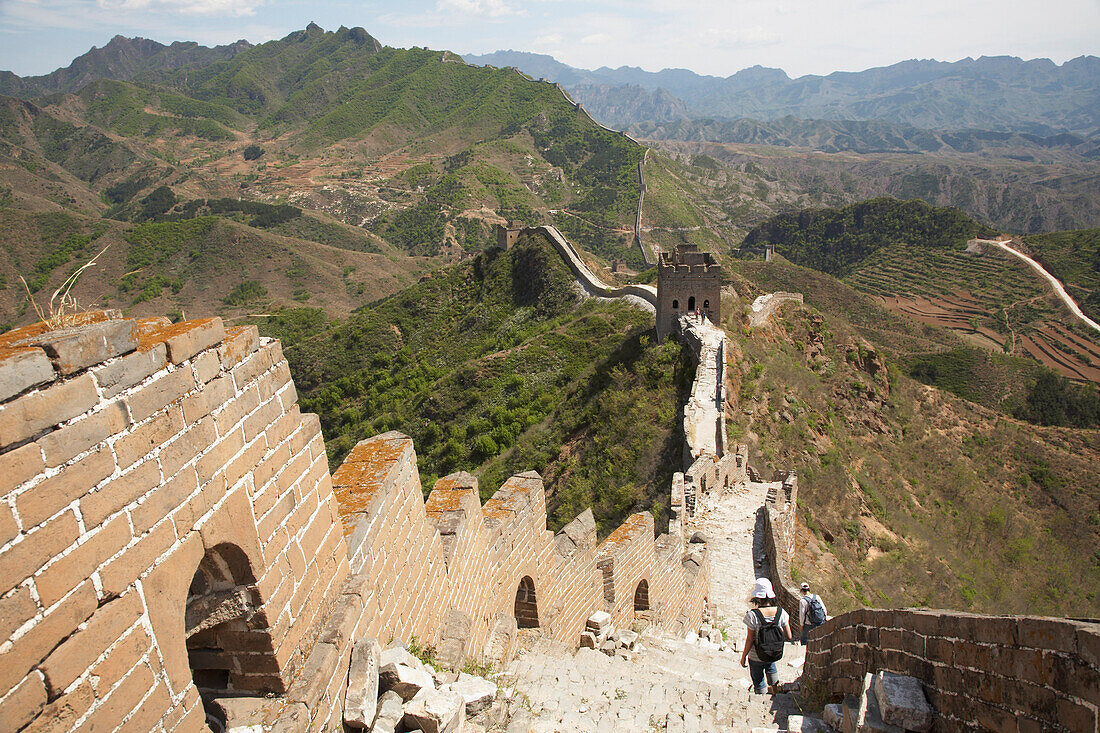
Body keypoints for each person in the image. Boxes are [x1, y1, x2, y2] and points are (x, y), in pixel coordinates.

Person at [739, 578, 792, 694]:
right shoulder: (781, 612)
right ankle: (775, 692)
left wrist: (743, 656)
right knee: (771, 666)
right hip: (773, 652)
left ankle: (760, 698)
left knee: (758, 679)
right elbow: (789, 635)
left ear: (757, 597)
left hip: (756, 655)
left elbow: (749, 639)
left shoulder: (752, 615)